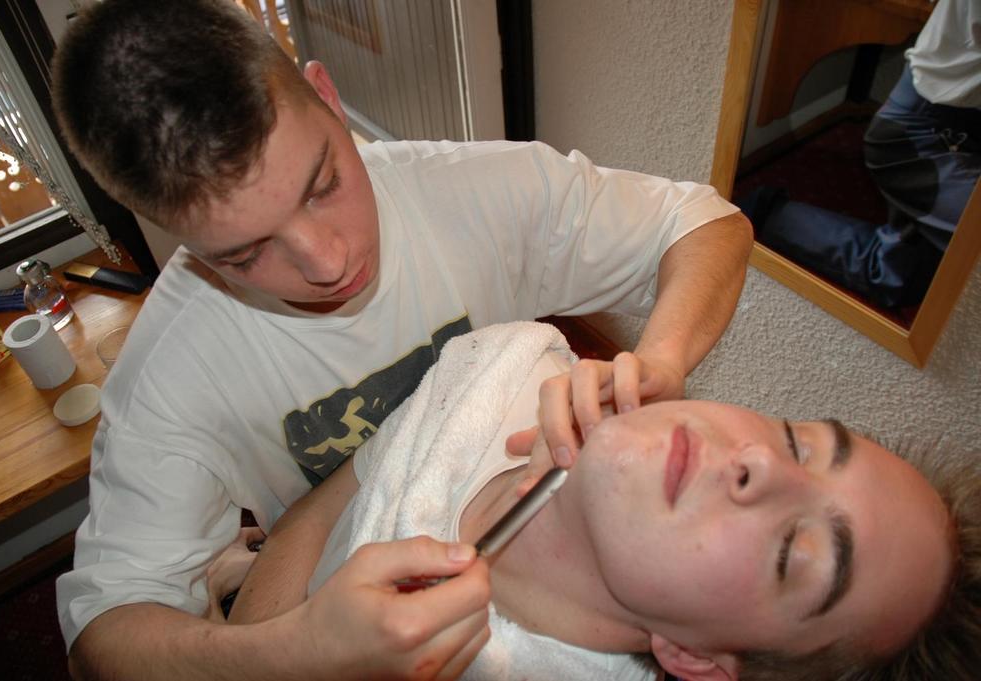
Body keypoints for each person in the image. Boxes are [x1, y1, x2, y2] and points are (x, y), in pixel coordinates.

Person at [49, 1, 753, 678]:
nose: (328, 262)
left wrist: (663, 358)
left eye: (322, 184)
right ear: (185, 244)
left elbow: (703, 224)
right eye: (245, 254)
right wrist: (298, 652)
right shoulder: (170, 374)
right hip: (320, 565)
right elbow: (101, 637)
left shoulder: (469, 190)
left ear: (328, 98)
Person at [223, 321, 980, 681]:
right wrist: (272, 648)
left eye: (794, 552)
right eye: (799, 444)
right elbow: (318, 516)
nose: (757, 463)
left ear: (696, 657)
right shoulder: (508, 360)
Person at [739, 0, 980, 309]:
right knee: (928, 269)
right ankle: (756, 212)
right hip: (925, 132)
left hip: (955, 121)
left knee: (909, 278)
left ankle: (763, 213)